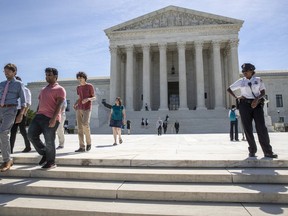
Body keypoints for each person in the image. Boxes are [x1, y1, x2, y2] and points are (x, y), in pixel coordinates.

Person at [227, 63, 278, 158]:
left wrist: (257, 99)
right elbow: (229, 89)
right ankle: (252, 150)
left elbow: (263, 92)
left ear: (251, 71)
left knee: (261, 128)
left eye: (246, 71)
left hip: (257, 105)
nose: (244, 73)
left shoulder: (258, 80)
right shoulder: (241, 81)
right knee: (247, 128)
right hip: (244, 106)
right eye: (243, 71)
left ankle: (268, 151)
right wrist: (237, 97)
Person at [28, 67, 66, 169]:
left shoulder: (60, 89)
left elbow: (59, 105)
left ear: (55, 76)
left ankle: (51, 162)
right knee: (31, 135)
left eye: (49, 75)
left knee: (49, 140)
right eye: (46, 75)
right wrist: (36, 113)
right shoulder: (43, 89)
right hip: (39, 116)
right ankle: (45, 153)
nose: (47, 77)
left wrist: (54, 119)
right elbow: (40, 103)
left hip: (50, 117)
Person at [0, 63, 26, 172]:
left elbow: (24, 101)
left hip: (11, 110)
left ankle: (7, 160)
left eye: (8, 71)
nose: (6, 73)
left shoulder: (19, 84)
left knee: (3, 132)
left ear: (14, 72)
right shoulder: (1, 84)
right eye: (4, 71)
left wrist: (21, 114)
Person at [73, 72, 96, 152]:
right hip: (79, 108)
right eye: (78, 78)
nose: (79, 79)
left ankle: (89, 143)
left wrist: (88, 99)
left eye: (81, 77)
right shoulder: (78, 87)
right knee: (79, 128)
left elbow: (94, 97)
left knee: (85, 124)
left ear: (84, 78)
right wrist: (75, 103)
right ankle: (81, 147)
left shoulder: (90, 86)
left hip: (87, 108)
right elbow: (80, 98)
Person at [10, 76, 32, 153]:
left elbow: (28, 103)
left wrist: (23, 114)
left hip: (22, 111)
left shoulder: (26, 90)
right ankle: (10, 149)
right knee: (13, 130)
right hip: (14, 111)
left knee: (23, 130)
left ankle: (28, 146)